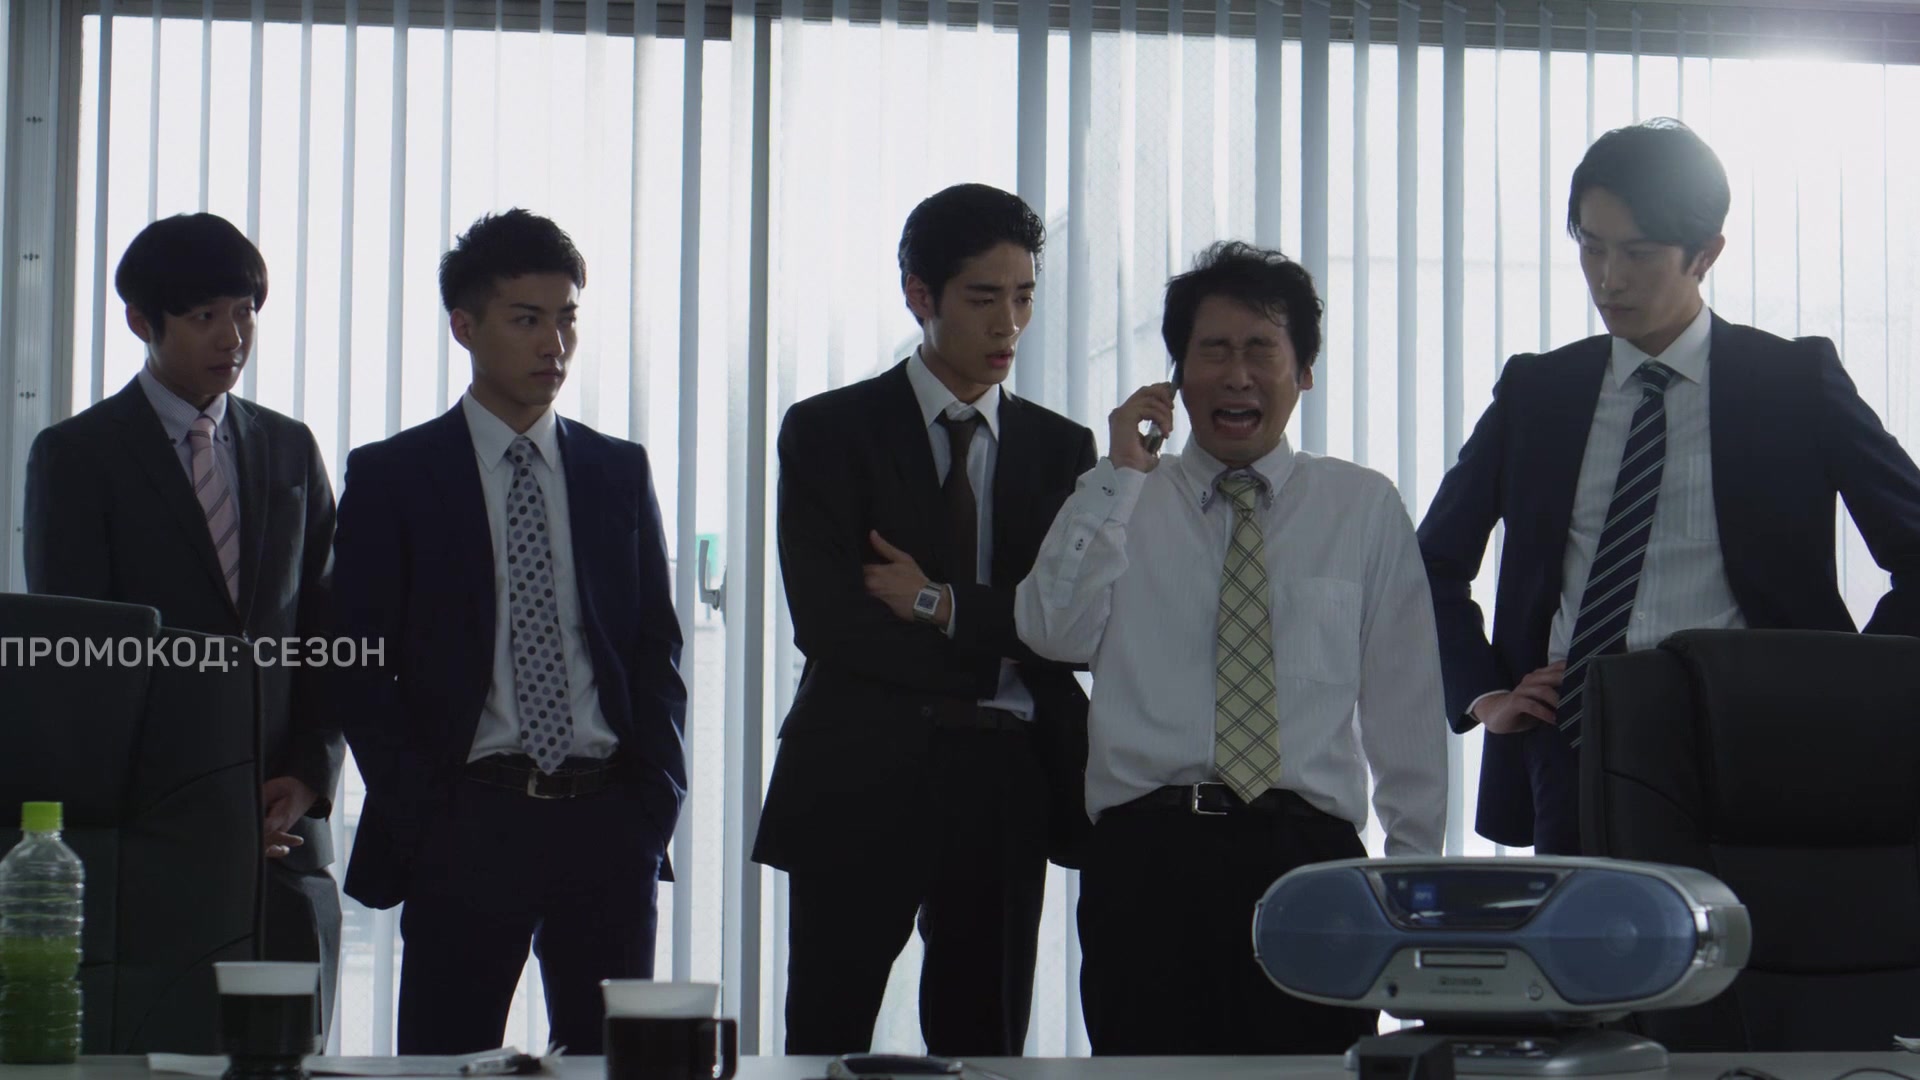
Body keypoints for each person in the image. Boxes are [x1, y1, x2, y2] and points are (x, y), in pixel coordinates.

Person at [1419, 118, 1920, 855]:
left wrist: (1843, 688)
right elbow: (1431, 563)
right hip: (1573, 735)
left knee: (1758, 930)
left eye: (1638, 254)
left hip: (1758, 735)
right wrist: (1485, 693)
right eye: (1591, 247)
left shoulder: (1793, 383)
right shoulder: (1538, 391)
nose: (1608, 278)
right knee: (1588, 931)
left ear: (1706, 254)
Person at [1016, 240, 1447, 1055]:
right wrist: (1117, 476)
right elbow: (1049, 629)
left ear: (1304, 371)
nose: (1237, 374)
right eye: (1212, 350)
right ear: (1178, 376)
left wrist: (1412, 888)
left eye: (1261, 350)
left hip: (1312, 865)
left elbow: (1407, 709)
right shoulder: (1120, 500)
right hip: (1147, 858)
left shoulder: (1361, 506)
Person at [753, 183, 1098, 1057]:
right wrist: (998, 646)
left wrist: (935, 606)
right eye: (983, 298)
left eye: (1023, 297)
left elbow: (1068, 627)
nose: (1009, 324)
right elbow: (829, 622)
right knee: (825, 1040)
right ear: (920, 295)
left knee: (984, 1048)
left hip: (1007, 781)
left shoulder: (1061, 450)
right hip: (858, 772)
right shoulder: (829, 431)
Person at [332, 209, 685, 1052]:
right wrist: (424, 814)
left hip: (607, 823)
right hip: (467, 821)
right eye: (527, 320)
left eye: (567, 319)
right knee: (444, 1060)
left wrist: (654, 804)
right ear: (465, 326)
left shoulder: (617, 470)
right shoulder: (393, 475)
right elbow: (356, 664)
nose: (553, 345)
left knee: (610, 1065)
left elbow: (654, 648)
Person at [23, 212, 345, 1037]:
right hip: (154, 838)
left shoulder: (289, 449)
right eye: (205, 316)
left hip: (284, 832)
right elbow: (82, 668)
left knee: (289, 1050)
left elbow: (326, 628)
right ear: (142, 321)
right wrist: (208, 807)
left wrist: (309, 774)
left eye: (245, 313)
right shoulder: (78, 455)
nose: (233, 338)